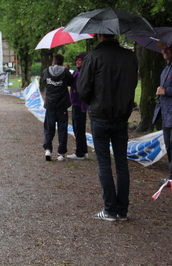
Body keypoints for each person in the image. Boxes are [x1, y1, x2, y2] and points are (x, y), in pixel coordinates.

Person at [78, 34, 138, 222]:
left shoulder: (93, 57)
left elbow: (83, 89)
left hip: (100, 116)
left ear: (99, 35)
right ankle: (122, 209)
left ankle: (110, 209)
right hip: (121, 115)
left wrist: (94, 102)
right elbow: (132, 84)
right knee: (121, 163)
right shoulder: (129, 57)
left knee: (104, 163)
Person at [42, 54, 73, 162]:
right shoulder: (65, 72)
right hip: (62, 105)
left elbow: (44, 82)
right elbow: (71, 82)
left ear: (53, 62)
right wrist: (66, 70)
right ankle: (61, 153)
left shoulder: (46, 71)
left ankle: (48, 150)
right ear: (62, 62)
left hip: (50, 105)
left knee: (48, 128)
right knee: (62, 129)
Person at [155, 44, 172, 187]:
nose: (164, 51)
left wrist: (166, 91)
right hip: (167, 115)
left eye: (168, 48)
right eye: (163, 48)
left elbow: (166, 90)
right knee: (169, 146)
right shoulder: (166, 68)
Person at [67, 53, 89, 160]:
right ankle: (83, 150)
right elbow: (69, 82)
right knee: (77, 128)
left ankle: (80, 153)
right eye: (77, 60)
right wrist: (66, 72)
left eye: (80, 60)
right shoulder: (76, 72)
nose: (77, 62)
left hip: (81, 104)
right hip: (75, 103)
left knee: (79, 128)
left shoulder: (85, 73)